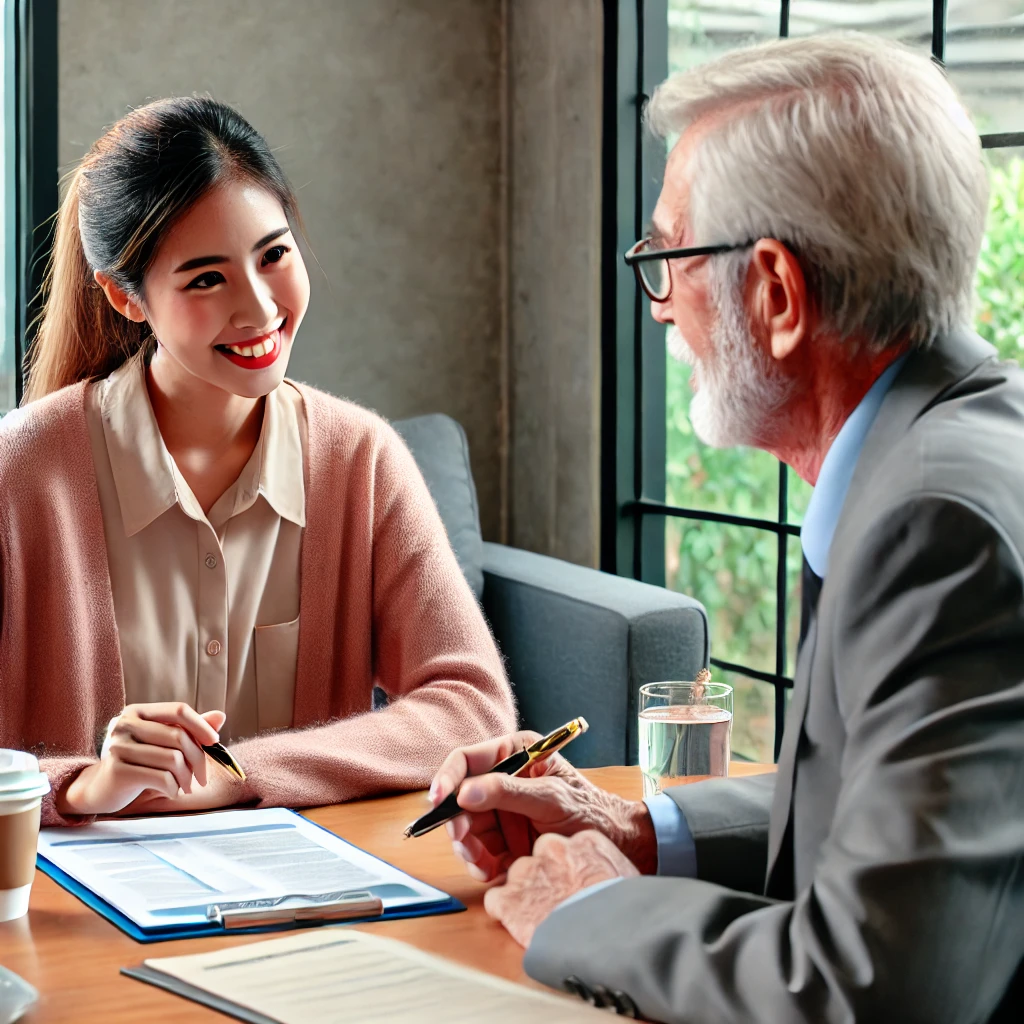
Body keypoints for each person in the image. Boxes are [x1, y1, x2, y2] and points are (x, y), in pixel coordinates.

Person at [429, 33, 1024, 1022]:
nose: (659, 309)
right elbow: (899, 824)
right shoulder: (948, 451)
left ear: (777, 294)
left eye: (667, 256)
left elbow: (870, 988)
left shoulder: (933, 525)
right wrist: (634, 827)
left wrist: (597, 906)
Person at [0, 96, 516, 827]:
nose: (259, 309)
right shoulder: (20, 475)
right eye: (206, 279)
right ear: (125, 297)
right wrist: (81, 788)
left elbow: (472, 706)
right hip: (68, 913)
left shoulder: (359, 460)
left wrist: (244, 775)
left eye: (273, 255)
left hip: (307, 893)